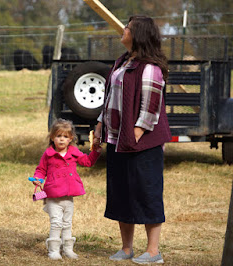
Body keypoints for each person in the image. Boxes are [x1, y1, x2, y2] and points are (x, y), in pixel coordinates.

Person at [93, 15, 171, 264]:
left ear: (137, 35)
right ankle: (127, 248)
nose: (123, 30)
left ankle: (153, 251)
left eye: (127, 28)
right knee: (121, 192)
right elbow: (110, 99)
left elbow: (151, 108)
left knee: (146, 192)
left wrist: (136, 135)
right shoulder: (122, 62)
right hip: (118, 140)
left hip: (141, 144)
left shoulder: (150, 67)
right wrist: (99, 125)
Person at [31, 118, 101, 260]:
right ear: (52, 137)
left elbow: (87, 162)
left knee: (67, 223)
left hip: (68, 196)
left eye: (65, 137)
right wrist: (38, 179)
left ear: (71, 139)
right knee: (56, 222)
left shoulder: (74, 153)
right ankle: (54, 250)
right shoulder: (48, 154)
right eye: (58, 136)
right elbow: (40, 170)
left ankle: (68, 249)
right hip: (53, 196)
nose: (61, 140)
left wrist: (96, 151)